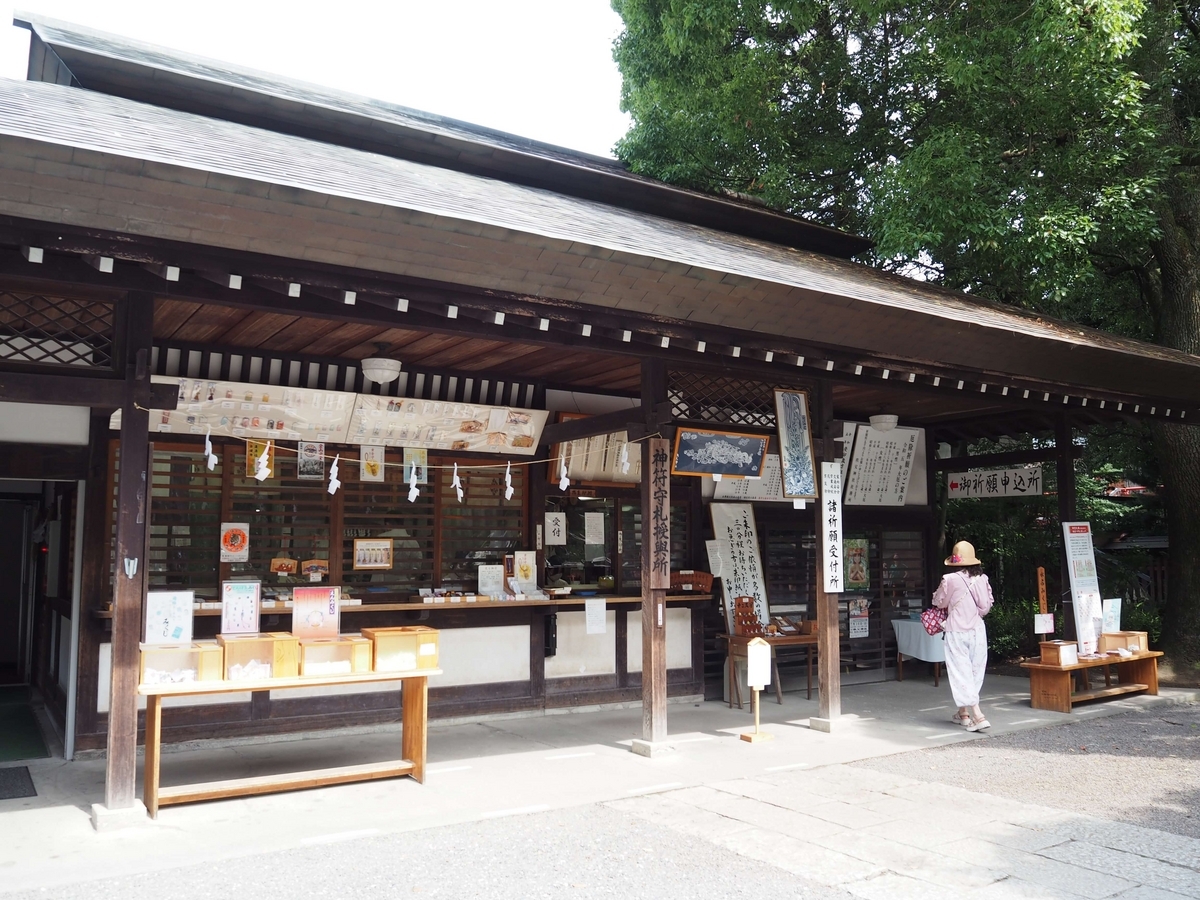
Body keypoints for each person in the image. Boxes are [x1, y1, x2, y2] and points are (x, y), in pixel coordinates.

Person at [932, 540, 995, 731]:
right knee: (974, 671)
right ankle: (963, 714)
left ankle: (977, 715)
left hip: (956, 630)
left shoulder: (949, 579)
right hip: (976, 630)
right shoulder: (982, 579)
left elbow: (939, 602)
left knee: (960, 672)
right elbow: (985, 607)